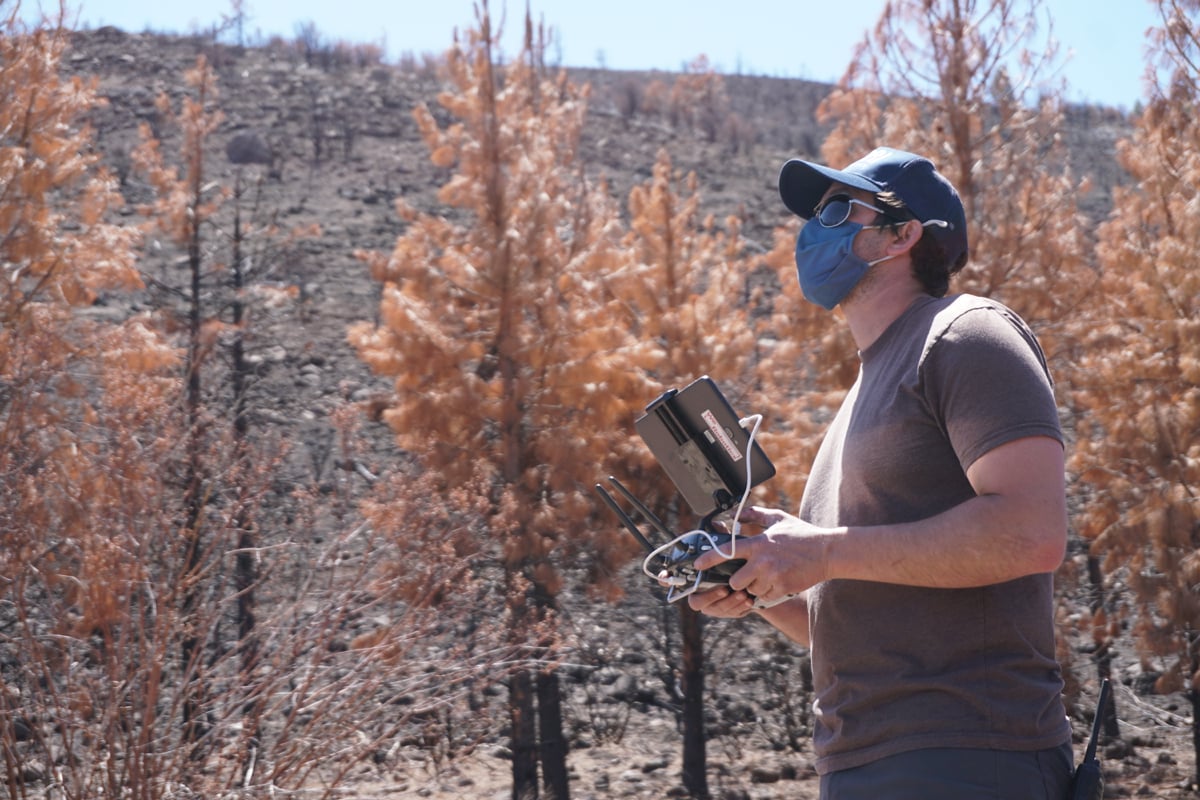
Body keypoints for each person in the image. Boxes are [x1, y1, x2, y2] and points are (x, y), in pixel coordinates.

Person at [689, 147, 1074, 798]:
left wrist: (822, 549)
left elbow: (1033, 532)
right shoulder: (861, 394)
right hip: (860, 765)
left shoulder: (966, 335)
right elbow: (845, 617)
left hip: (970, 758)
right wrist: (762, 580)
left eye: (838, 209)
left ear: (903, 235)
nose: (813, 229)